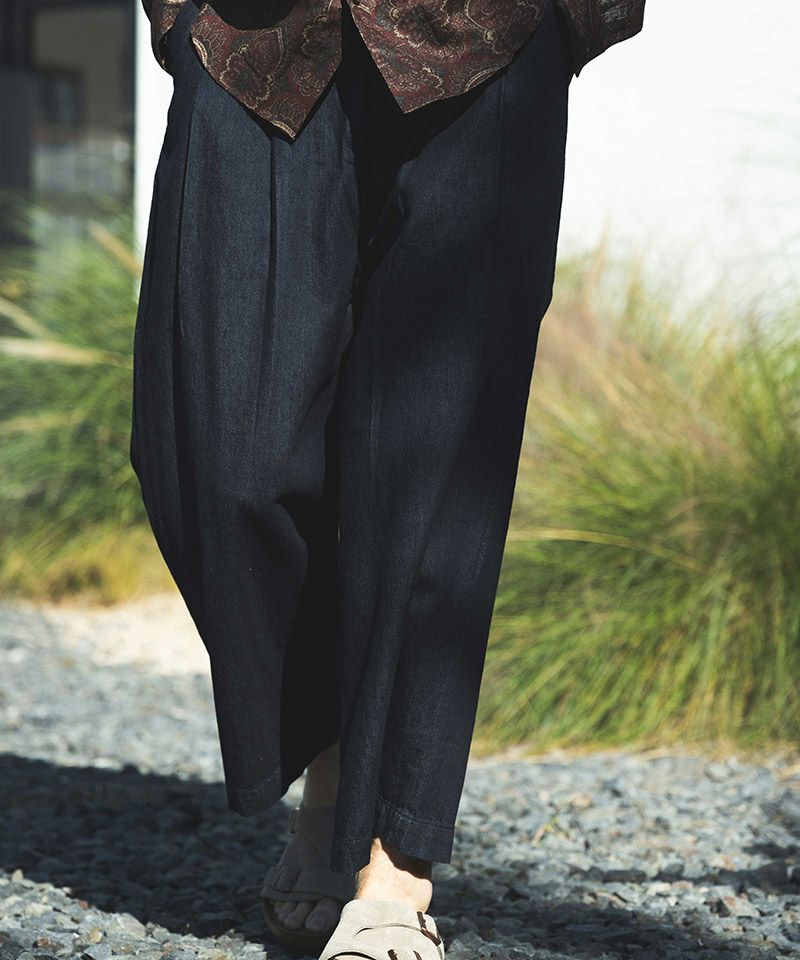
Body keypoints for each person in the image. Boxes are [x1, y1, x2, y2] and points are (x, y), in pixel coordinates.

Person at [131, 0, 646, 956]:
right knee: (223, 457)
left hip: (485, 34)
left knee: (433, 467)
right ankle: (337, 760)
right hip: (252, 36)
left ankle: (392, 864)